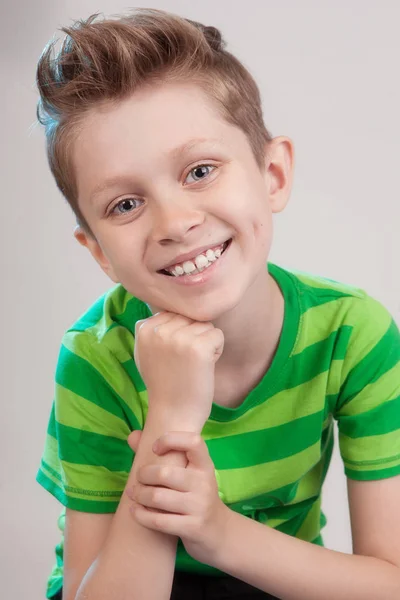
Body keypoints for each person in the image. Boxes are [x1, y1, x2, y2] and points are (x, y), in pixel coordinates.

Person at [35, 8, 400, 600]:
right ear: (99, 252)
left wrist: (219, 533)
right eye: (125, 205)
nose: (176, 223)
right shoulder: (94, 359)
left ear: (273, 173)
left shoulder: (351, 334)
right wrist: (172, 417)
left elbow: (389, 583)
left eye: (200, 171)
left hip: (275, 574)